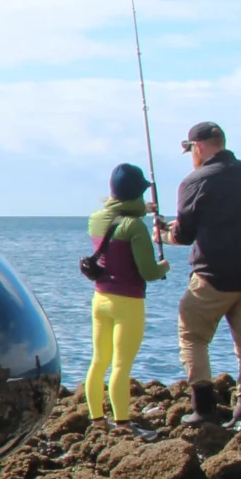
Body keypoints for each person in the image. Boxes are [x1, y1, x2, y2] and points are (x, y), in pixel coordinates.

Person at [160, 120, 241, 433]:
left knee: (192, 335)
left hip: (215, 277)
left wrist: (161, 235)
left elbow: (184, 235)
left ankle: (203, 409)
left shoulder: (195, 180)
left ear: (199, 147)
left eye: (190, 149)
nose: (191, 155)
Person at [81, 163, 168, 429]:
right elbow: (149, 272)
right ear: (137, 194)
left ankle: (97, 419)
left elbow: (118, 216)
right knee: (121, 365)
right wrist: (163, 267)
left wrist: (143, 211)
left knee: (99, 360)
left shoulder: (96, 218)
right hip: (127, 303)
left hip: (100, 299)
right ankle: (122, 423)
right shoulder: (136, 227)